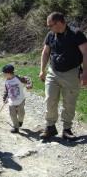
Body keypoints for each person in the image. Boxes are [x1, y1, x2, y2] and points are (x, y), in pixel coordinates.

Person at [39, 12, 87, 140]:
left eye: (50, 25)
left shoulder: (76, 34)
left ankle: (67, 129)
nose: (49, 28)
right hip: (53, 72)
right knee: (50, 99)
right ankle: (50, 127)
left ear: (59, 23)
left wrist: (85, 73)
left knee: (69, 102)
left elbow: (85, 53)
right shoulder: (50, 35)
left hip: (71, 72)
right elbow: (45, 52)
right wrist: (42, 70)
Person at [0, 64, 32, 133]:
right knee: (12, 114)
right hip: (11, 101)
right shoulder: (7, 81)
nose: (3, 75)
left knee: (21, 113)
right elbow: (6, 90)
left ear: (8, 74)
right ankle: (16, 127)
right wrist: (4, 98)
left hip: (20, 100)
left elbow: (27, 78)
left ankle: (20, 121)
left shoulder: (18, 78)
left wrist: (29, 85)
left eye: (4, 74)